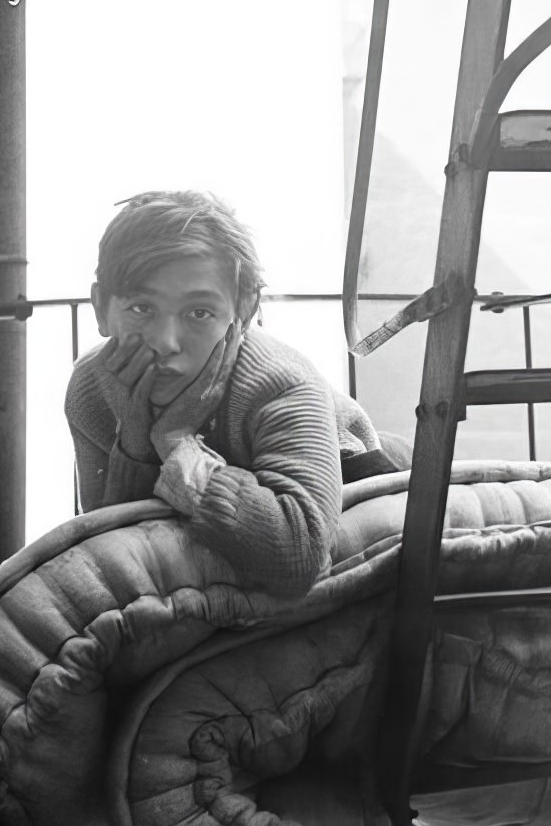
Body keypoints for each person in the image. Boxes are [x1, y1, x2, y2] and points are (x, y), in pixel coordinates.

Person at [65, 190, 394, 594]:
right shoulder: (92, 387)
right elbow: (108, 550)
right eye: (141, 308)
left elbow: (300, 557)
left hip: (350, 463)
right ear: (100, 308)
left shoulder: (281, 381)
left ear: (243, 311)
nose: (166, 342)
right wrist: (134, 437)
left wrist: (175, 443)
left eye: (199, 313)